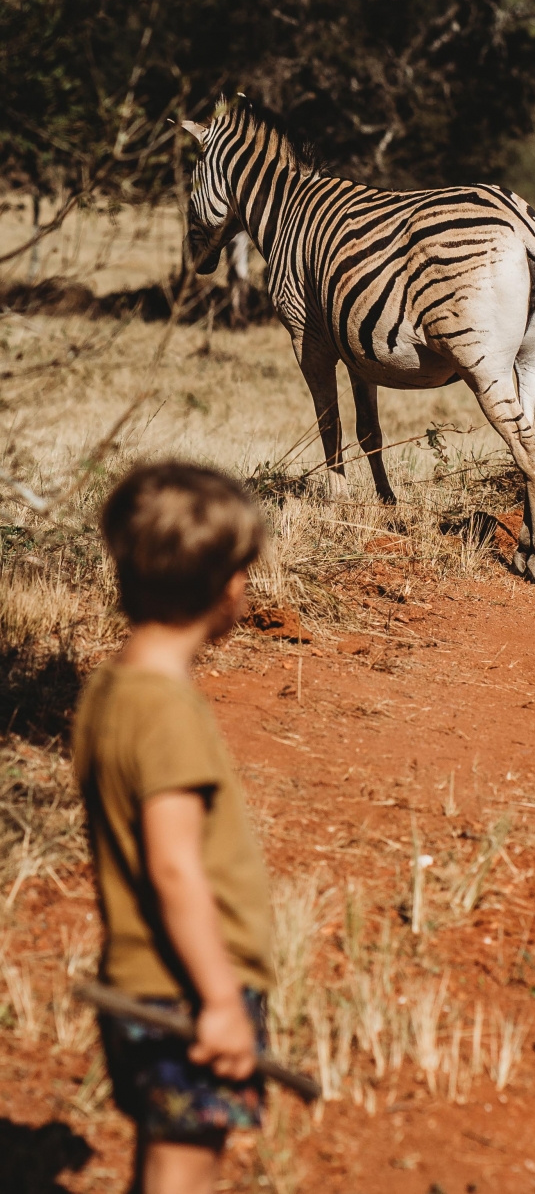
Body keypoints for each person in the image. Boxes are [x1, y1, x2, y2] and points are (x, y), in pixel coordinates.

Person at [73, 461, 272, 1194]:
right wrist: (220, 1000)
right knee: (185, 1173)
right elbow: (174, 866)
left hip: (140, 984)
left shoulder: (110, 691)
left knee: (164, 1164)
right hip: (185, 990)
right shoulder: (166, 713)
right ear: (224, 588)